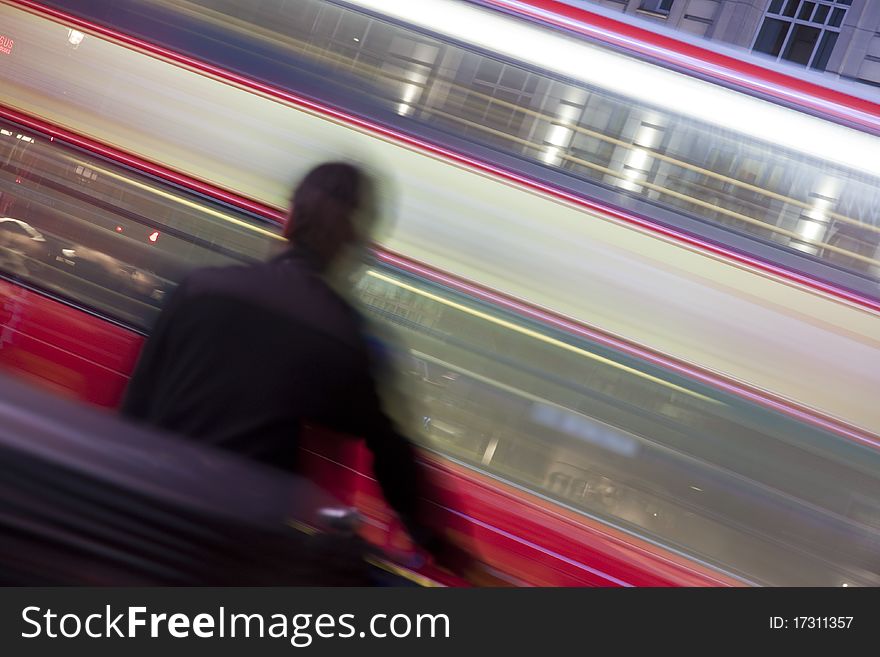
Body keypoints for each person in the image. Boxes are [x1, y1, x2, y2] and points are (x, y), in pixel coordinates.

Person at [121, 162, 475, 579]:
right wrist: (449, 552)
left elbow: (132, 414)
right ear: (355, 245)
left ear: (289, 219)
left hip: (144, 533)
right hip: (237, 560)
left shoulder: (198, 289)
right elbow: (397, 465)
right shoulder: (346, 338)